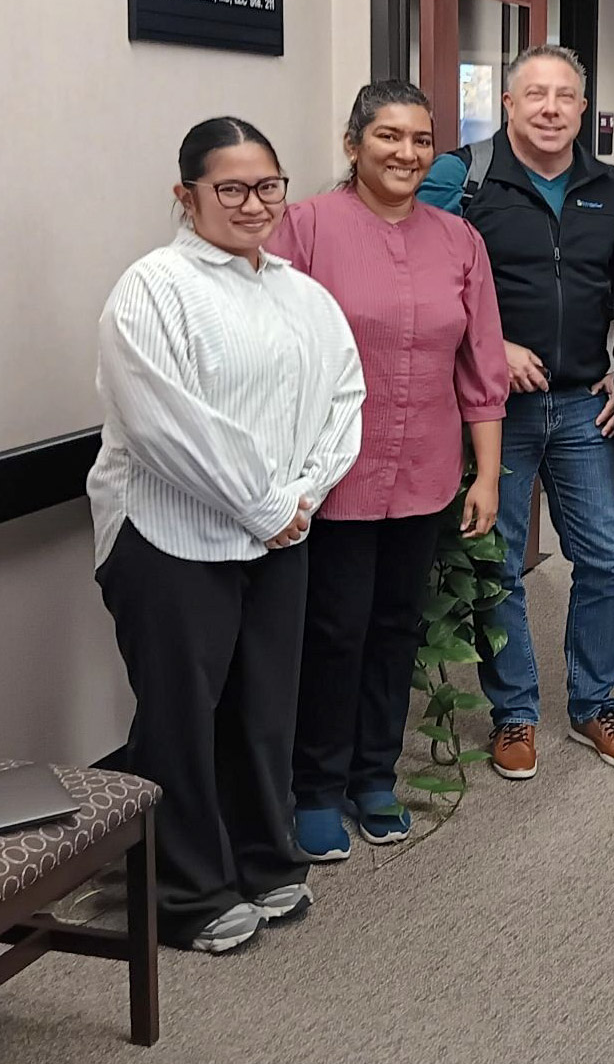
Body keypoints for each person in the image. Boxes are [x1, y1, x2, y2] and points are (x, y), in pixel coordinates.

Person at [86, 118, 364, 952]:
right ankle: (185, 894)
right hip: (166, 538)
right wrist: (266, 503)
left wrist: (302, 496)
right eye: (231, 188)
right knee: (180, 717)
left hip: (280, 533)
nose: (254, 204)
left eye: (268, 185)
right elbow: (168, 426)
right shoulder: (152, 288)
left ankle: (262, 860)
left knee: (263, 709)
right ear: (188, 195)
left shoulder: (301, 293)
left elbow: (343, 398)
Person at [270, 81, 508, 860]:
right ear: (353, 144)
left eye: (420, 139)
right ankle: (314, 786)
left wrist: (487, 475)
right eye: (388, 137)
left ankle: (373, 776)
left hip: (426, 470)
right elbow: (271, 349)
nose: (406, 153)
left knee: (395, 628)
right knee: (333, 630)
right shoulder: (304, 227)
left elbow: (481, 367)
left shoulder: (457, 240)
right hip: (334, 472)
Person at [419, 43, 614, 780]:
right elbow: (422, 283)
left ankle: (593, 704)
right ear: (508, 105)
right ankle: (514, 713)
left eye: (565, 96)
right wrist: (495, 348)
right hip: (496, 409)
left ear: (583, 108)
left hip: (583, 406)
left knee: (604, 558)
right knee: (499, 564)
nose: (551, 108)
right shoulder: (465, 177)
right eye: (535, 95)